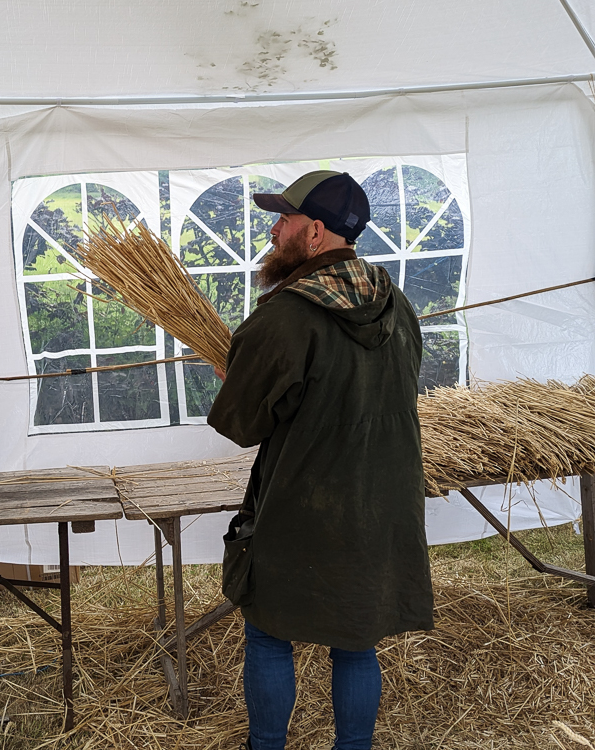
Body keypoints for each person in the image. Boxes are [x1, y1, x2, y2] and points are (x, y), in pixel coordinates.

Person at [207, 171, 433, 750]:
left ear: (314, 233)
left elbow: (241, 424)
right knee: (356, 641)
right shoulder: (396, 304)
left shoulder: (284, 318)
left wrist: (238, 380)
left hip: (301, 507)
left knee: (267, 635)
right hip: (382, 506)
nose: (273, 231)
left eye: (282, 220)